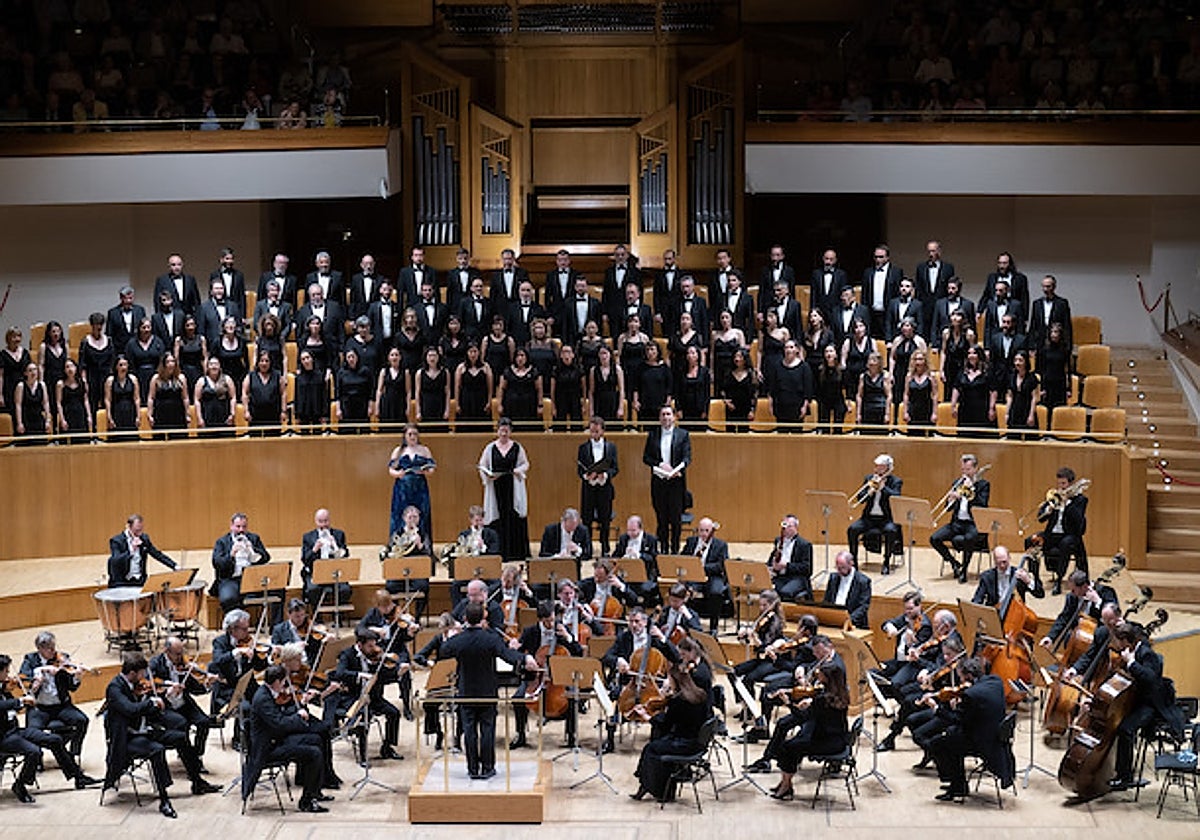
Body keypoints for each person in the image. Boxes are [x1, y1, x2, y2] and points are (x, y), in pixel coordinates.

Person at [102, 651, 220, 819]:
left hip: (145, 730)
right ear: (133, 673)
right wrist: (150, 702)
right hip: (127, 738)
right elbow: (130, 710)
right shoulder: (115, 688)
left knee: (180, 736)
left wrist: (165, 696)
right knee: (156, 750)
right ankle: (164, 799)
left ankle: (197, 781)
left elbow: (149, 704)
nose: (145, 677)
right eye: (143, 673)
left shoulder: (138, 685)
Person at [440, 602, 538, 779]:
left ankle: (472, 769)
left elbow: (443, 651)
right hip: (487, 691)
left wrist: (450, 634)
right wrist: (525, 658)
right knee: (487, 729)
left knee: (469, 731)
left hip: (466, 692)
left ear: (464, 619)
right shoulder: (491, 639)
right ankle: (487, 768)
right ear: (483, 618)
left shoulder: (459, 640)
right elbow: (509, 656)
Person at [0, 654, 99, 802]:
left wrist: (23, 702)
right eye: (6, 671)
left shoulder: (4, 688)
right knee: (35, 752)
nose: (8, 675)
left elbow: (12, 709)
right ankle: (20, 785)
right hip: (3, 737)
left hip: (15, 731)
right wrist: (19, 700)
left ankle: (78, 777)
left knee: (54, 739)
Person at [1103, 621, 1184, 792]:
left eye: (1117, 640)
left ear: (1125, 640)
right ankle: (1113, 768)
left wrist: (1131, 663)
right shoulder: (1128, 651)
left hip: (1151, 704)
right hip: (1134, 700)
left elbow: (1151, 679)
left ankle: (1125, 777)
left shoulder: (1146, 653)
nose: (1115, 644)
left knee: (1125, 730)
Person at [247, 664, 333, 813]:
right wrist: (298, 715)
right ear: (276, 682)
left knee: (317, 739)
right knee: (314, 753)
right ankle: (306, 802)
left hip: (275, 740)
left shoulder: (268, 693)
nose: (285, 686)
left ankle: (314, 792)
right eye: (283, 682)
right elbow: (279, 724)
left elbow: (280, 718)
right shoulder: (263, 699)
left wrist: (298, 707)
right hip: (268, 749)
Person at [926, 656, 1013, 801]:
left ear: (968, 676)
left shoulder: (971, 695)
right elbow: (975, 712)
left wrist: (936, 708)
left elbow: (958, 720)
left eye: (960, 677)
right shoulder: (995, 681)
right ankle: (957, 782)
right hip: (996, 736)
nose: (960, 681)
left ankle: (957, 786)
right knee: (950, 736)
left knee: (938, 744)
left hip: (983, 742)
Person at [629, 663, 711, 803]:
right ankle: (657, 788)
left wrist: (646, 716)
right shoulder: (700, 694)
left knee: (651, 748)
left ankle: (652, 789)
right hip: (698, 742)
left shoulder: (678, 701)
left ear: (675, 680)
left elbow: (665, 725)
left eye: (669, 679)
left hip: (685, 745)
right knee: (657, 743)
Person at [768, 660, 850, 801]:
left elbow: (801, 717)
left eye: (821, 675)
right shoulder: (841, 693)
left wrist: (788, 702)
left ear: (828, 678)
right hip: (839, 739)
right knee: (793, 744)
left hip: (826, 743)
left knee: (787, 747)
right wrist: (811, 702)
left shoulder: (823, 700)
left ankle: (786, 786)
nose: (818, 678)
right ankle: (785, 783)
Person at [510, 601, 585, 749]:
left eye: (552, 619)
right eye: (547, 621)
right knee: (518, 699)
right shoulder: (530, 632)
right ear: (540, 620)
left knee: (572, 698)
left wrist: (568, 638)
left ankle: (571, 736)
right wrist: (523, 656)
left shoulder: (561, 630)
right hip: (535, 678)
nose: (551, 623)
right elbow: (517, 653)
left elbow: (578, 652)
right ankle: (521, 735)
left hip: (559, 678)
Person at [328, 628, 405, 762]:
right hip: (353, 698)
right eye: (370, 646)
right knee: (364, 719)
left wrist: (397, 673)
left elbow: (381, 677)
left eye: (375, 644)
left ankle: (387, 747)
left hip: (373, 697)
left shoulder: (375, 656)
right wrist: (359, 675)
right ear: (359, 644)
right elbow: (340, 673)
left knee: (394, 713)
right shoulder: (347, 654)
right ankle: (363, 756)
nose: (374, 649)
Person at [19, 631, 89, 760]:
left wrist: (77, 677)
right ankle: (37, 759)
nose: (53, 651)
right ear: (39, 649)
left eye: (54, 646)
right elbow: (23, 679)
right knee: (32, 731)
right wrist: (38, 675)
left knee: (82, 720)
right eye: (49, 648)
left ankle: (72, 754)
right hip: (39, 708)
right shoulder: (30, 660)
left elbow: (72, 687)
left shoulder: (62, 658)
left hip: (61, 706)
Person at [148, 636, 216, 767]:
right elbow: (150, 682)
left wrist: (207, 684)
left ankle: (196, 755)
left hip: (184, 703)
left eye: (182, 653)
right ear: (167, 651)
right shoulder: (155, 663)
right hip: (166, 706)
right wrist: (169, 687)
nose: (180, 657)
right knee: (181, 724)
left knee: (204, 722)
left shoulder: (184, 666)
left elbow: (196, 689)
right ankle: (190, 761)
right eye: (177, 654)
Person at [930, 454, 991, 583]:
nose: (965, 473)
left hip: (973, 524)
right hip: (956, 523)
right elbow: (949, 509)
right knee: (934, 539)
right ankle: (954, 563)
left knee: (969, 539)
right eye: (963, 470)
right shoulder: (957, 483)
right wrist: (950, 499)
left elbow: (982, 504)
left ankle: (964, 570)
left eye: (968, 470)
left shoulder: (983, 485)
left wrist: (970, 491)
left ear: (975, 469)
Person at [478, 418, 531, 562]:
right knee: (497, 517)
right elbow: (482, 465)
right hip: (496, 486)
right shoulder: (490, 448)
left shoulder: (517, 447)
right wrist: (488, 476)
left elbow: (525, 464)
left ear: (510, 432)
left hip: (512, 486)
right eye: (501, 430)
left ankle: (516, 553)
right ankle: (499, 552)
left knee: (513, 516)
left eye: (506, 431)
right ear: (497, 431)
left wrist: (517, 470)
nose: (504, 433)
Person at [210, 512, 276, 618]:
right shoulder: (222, 542)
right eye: (238, 526)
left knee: (278, 590)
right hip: (230, 579)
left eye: (244, 527)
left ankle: (275, 628)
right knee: (228, 598)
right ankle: (235, 627)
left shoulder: (254, 539)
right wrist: (231, 554)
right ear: (231, 526)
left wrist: (253, 549)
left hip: (252, 579)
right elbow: (217, 563)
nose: (241, 530)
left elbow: (266, 558)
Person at [643, 405, 690, 554]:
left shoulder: (683, 435)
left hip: (676, 482)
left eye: (668, 414)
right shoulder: (653, 435)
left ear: (674, 417)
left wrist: (676, 470)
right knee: (661, 519)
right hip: (659, 482)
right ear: (659, 418)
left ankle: (675, 550)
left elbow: (687, 458)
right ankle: (663, 549)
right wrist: (659, 464)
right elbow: (646, 458)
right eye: (663, 414)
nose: (666, 417)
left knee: (676, 520)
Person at [1033, 466, 1089, 592]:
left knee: (1065, 544)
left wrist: (1067, 504)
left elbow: (1078, 521)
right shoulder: (1054, 497)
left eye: (1063, 484)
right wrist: (1048, 510)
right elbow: (1040, 519)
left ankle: (1059, 580)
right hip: (1052, 534)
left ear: (1070, 484)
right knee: (1031, 540)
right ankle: (1036, 579)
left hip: (1069, 535)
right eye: (1059, 484)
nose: (1061, 487)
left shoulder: (1080, 500)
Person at [847, 454, 903, 571]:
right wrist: (869, 492)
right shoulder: (869, 479)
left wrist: (884, 489)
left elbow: (897, 497)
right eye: (876, 467)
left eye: (880, 467)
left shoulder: (895, 481)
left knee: (891, 531)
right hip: (869, 518)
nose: (877, 469)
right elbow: (860, 498)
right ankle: (854, 562)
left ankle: (886, 561)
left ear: (888, 468)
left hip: (887, 518)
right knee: (852, 529)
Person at [1039, 570, 1118, 652]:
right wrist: (1050, 637)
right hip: (1078, 636)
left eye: (1073, 590)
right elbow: (1064, 617)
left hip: (1098, 636)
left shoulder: (1106, 592)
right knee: (1068, 636)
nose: (1072, 593)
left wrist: (1098, 602)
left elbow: (1114, 617)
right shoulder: (1072, 597)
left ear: (1084, 586)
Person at [388, 424, 436, 550]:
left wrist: (425, 471)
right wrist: (398, 474)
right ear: (405, 436)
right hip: (402, 489)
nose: (413, 437)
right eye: (410, 434)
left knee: (422, 515)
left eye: (415, 434)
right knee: (400, 515)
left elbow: (432, 469)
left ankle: (423, 547)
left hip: (420, 488)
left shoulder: (424, 450)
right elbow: (391, 470)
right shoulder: (398, 451)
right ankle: (398, 548)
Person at [577, 416, 619, 557]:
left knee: (605, 519)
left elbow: (615, 468)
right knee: (587, 519)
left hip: (604, 488)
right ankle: (587, 548)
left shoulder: (611, 447)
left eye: (596, 431)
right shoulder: (583, 448)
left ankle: (605, 547)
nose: (593, 433)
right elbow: (579, 469)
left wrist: (605, 475)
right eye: (591, 430)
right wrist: (586, 476)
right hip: (588, 488)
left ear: (602, 431)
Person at [682, 516, 730, 633]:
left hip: (713, 576)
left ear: (711, 531)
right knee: (683, 591)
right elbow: (682, 557)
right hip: (694, 576)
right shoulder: (691, 542)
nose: (703, 534)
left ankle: (713, 626)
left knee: (716, 592)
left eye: (706, 531)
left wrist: (702, 567)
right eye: (701, 530)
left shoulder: (721, 545)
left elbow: (721, 565)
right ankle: (687, 623)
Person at [107, 513, 177, 587]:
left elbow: (157, 554)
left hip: (139, 581)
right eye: (136, 530)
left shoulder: (144, 538)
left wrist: (174, 566)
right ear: (128, 527)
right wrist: (131, 550)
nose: (139, 533)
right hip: (122, 582)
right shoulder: (116, 541)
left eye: (141, 529)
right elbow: (115, 560)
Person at [300, 508, 351, 609]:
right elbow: (305, 560)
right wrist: (314, 549)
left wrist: (335, 546)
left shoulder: (338, 534)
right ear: (316, 521)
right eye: (320, 521)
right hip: (316, 573)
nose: (323, 525)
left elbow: (345, 556)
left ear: (330, 520)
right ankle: (317, 618)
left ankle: (338, 618)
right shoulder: (308, 537)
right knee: (312, 590)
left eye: (326, 521)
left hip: (335, 573)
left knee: (345, 590)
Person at [613, 515, 661, 608]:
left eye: (633, 530)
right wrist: (623, 557)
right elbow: (615, 556)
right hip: (626, 573)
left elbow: (654, 559)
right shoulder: (624, 538)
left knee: (644, 588)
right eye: (628, 530)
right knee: (614, 585)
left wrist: (639, 555)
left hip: (645, 575)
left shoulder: (650, 539)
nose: (630, 533)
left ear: (640, 529)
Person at [973, 545, 1044, 607]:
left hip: (1015, 614)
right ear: (994, 561)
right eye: (999, 563)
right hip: (995, 613)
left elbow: (1040, 594)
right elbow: (977, 599)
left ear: (1009, 558)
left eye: (1004, 562)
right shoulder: (987, 577)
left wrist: (1028, 581)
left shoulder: (1019, 575)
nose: (1002, 565)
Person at [538, 507, 592, 583]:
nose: (573, 528)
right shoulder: (550, 530)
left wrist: (578, 549)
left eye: (575, 525)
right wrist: (558, 556)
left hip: (572, 566)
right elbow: (542, 554)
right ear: (563, 521)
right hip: (554, 565)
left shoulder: (582, 530)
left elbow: (589, 554)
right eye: (570, 525)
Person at [768, 514, 813, 602]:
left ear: (796, 527)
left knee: (785, 592)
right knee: (767, 592)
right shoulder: (778, 541)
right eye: (784, 525)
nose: (785, 529)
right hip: (780, 576)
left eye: (789, 526)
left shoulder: (804, 545)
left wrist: (786, 566)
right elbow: (771, 558)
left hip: (797, 578)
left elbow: (807, 569)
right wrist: (770, 566)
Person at [822, 551, 872, 629]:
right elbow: (827, 600)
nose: (839, 571)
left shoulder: (863, 581)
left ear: (851, 563)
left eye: (842, 567)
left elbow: (863, 606)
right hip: (833, 621)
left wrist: (848, 620)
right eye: (837, 568)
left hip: (854, 623)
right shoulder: (833, 578)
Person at [147, 353, 190, 437]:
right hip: (161, 412)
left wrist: (187, 414)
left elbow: (185, 398)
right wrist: (150, 414)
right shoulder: (156, 378)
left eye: (173, 361)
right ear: (163, 364)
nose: (171, 364)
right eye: (168, 362)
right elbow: (151, 398)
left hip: (177, 412)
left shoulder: (181, 378)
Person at [12, 361, 49, 442]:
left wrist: (47, 420)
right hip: (26, 419)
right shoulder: (21, 386)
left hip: (38, 419)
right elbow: (18, 405)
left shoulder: (42, 385)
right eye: (30, 370)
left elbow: (46, 403)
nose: (33, 372)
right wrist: (19, 423)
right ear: (25, 373)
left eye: (35, 369)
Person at [56, 358, 92, 441]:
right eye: (67, 367)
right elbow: (58, 403)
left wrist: (89, 416)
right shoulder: (60, 384)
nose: (70, 369)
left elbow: (86, 400)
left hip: (80, 414)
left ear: (76, 368)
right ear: (64, 370)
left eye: (71, 366)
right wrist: (62, 419)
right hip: (67, 414)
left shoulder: (82, 382)